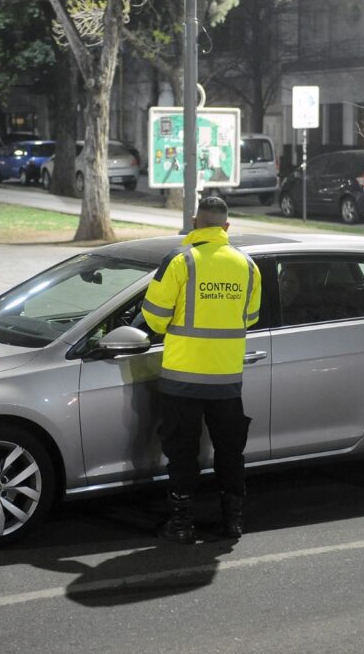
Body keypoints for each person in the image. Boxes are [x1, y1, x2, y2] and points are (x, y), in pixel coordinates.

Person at [142, 196, 262, 544]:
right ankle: (232, 522)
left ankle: (181, 524)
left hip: (182, 379)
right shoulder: (247, 265)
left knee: (181, 452)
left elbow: (154, 317)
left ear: (195, 222)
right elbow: (250, 318)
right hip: (227, 381)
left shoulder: (180, 261)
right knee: (230, 451)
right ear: (226, 227)